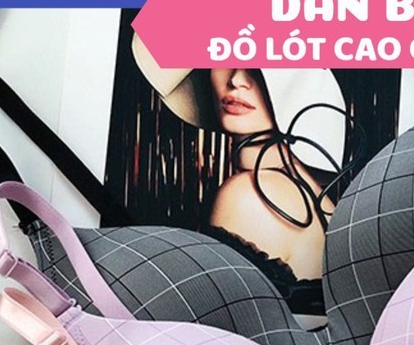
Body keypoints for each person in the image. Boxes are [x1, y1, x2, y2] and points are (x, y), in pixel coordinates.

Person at [132, 38, 353, 311]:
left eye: (260, 66)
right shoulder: (305, 192)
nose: (237, 80)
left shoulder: (249, 196)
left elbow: (215, 323)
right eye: (228, 54)